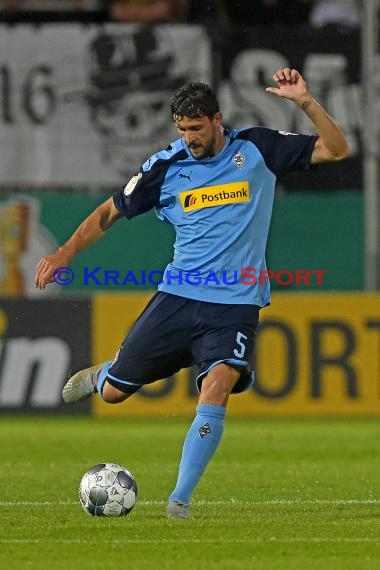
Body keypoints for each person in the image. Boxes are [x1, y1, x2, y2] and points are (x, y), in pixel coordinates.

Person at [35, 67, 349, 519]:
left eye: (197, 129)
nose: (190, 138)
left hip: (236, 304)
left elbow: (337, 150)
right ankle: (107, 374)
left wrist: (304, 103)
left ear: (218, 120)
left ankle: (179, 499)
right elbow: (110, 211)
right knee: (115, 395)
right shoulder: (166, 167)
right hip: (178, 298)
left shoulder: (257, 149)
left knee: (218, 384)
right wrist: (65, 252)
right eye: (182, 130)